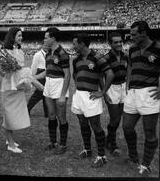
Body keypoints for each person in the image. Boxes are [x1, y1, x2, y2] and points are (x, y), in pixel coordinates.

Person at [123, 21, 160, 176]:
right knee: (127, 127)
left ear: (144, 33)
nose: (131, 37)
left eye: (134, 34)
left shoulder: (158, 48)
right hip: (133, 93)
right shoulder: (132, 49)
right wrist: (128, 82)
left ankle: (146, 165)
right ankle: (133, 156)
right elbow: (130, 66)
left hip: (149, 93)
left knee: (149, 131)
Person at [71, 33, 114, 168]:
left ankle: (102, 156)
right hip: (79, 96)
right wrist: (80, 88)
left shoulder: (97, 57)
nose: (73, 46)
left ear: (82, 44)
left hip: (91, 96)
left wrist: (102, 92)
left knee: (96, 126)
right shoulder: (76, 60)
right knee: (83, 125)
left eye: (75, 43)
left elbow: (109, 74)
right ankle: (87, 149)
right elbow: (75, 75)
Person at [0, 27, 30, 154]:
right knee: (8, 116)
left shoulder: (20, 51)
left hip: (18, 86)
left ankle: (9, 139)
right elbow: (1, 72)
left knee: (14, 115)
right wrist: (9, 69)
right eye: (19, 36)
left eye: (21, 35)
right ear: (12, 37)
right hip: (8, 87)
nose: (21, 38)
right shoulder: (4, 51)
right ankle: (10, 144)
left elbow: (21, 69)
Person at [43, 27, 70, 155]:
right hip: (48, 85)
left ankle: (63, 144)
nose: (44, 39)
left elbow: (67, 75)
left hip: (59, 85)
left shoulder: (62, 53)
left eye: (46, 37)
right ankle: (53, 142)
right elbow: (47, 71)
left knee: (61, 117)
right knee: (51, 115)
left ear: (53, 38)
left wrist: (63, 95)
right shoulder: (48, 53)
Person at [102, 32, 128, 156]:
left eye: (120, 42)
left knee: (118, 119)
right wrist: (104, 92)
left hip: (123, 88)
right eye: (116, 42)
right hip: (111, 88)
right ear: (110, 44)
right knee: (115, 119)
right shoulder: (106, 58)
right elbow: (100, 76)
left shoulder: (125, 56)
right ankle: (112, 144)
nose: (119, 44)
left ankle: (108, 140)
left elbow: (129, 72)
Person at [27, 41, 49, 117]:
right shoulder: (38, 55)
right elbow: (33, 67)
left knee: (45, 95)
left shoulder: (49, 54)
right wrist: (32, 78)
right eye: (45, 45)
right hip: (40, 73)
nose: (46, 46)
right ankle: (27, 109)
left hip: (47, 75)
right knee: (38, 94)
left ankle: (47, 113)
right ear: (42, 45)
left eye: (48, 45)